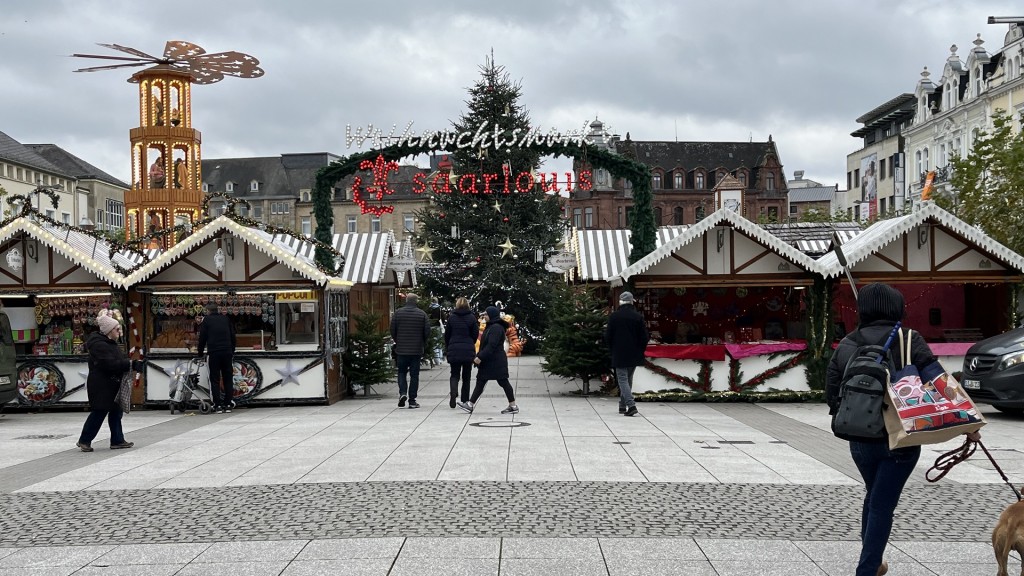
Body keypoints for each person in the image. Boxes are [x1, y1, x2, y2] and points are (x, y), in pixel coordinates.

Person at [826, 283, 981, 576]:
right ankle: (868, 568)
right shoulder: (909, 340)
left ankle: (874, 561)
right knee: (882, 503)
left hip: (859, 437)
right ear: (897, 308)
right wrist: (970, 423)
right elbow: (940, 382)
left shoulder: (847, 343)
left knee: (875, 496)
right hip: (902, 437)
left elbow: (832, 395)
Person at [77, 310, 141, 452]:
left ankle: (117, 440)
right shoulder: (99, 345)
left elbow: (117, 360)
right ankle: (84, 440)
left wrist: (131, 363)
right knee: (99, 412)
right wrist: (130, 364)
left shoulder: (109, 343)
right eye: (116, 329)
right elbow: (109, 364)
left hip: (111, 384)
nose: (119, 331)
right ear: (108, 331)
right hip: (102, 385)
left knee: (116, 412)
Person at [459, 306, 518, 415]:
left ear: (491, 315)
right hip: (491, 360)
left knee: (503, 382)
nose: (484, 316)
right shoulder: (491, 326)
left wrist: (479, 357)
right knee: (481, 381)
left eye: (486, 314)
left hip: (495, 361)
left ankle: (513, 406)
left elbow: (491, 345)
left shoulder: (496, 328)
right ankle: (470, 405)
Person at [605, 291, 648, 417]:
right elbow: (644, 337)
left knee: (622, 380)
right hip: (634, 353)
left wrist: (611, 349)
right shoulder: (638, 317)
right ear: (631, 302)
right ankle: (622, 405)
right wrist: (640, 350)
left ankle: (631, 405)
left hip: (619, 352)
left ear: (620, 302)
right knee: (628, 380)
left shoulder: (614, 317)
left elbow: (608, 336)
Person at [390, 293, 429, 409]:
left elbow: (392, 329)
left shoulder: (398, 313)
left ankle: (402, 393)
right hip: (416, 350)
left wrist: (398, 340)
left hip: (401, 349)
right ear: (416, 301)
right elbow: (427, 331)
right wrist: (422, 342)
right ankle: (412, 400)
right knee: (414, 375)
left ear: (406, 300)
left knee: (401, 372)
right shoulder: (422, 314)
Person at [197, 303, 236, 414]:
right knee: (228, 378)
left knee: (214, 379)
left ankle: (217, 405)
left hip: (213, 352)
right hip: (227, 352)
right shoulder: (226, 319)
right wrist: (232, 350)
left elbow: (202, 338)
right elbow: (233, 335)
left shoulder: (207, 320)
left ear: (208, 311)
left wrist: (200, 352)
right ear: (217, 310)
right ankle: (228, 404)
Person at [444, 297, 479, 409]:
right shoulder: (471, 318)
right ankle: (465, 399)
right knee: (466, 376)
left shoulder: (452, 317)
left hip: (454, 347)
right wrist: (470, 342)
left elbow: (447, 334)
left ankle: (453, 393)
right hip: (467, 348)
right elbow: (475, 334)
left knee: (454, 374)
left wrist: (448, 345)